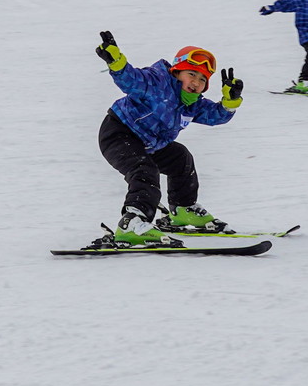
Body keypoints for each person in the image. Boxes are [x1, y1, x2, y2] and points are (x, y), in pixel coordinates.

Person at [93, 31, 245, 246]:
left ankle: (183, 209)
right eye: (192, 73)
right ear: (177, 71)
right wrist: (117, 61)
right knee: (144, 171)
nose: (196, 82)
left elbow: (216, 116)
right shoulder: (157, 81)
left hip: (150, 143)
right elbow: (131, 80)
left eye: (203, 79)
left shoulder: (192, 103)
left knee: (180, 158)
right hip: (119, 133)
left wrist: (230, 101)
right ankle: (133, 222)